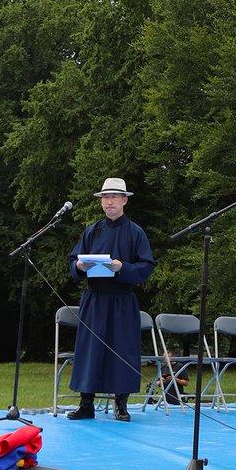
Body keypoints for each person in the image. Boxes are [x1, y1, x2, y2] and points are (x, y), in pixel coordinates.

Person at [67, 177, 156, 422]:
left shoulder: (135, 232)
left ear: (124, 200)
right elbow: (73, 262)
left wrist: (122, 267)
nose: (109, 202)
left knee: (122, 350)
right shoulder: (92, 230)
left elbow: (146, 266)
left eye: (114, 197)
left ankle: (121, 404)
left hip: (122, 300)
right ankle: (86, 403)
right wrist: (79, 266)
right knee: (90, 349)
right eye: (105, 197)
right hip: (94, 299)